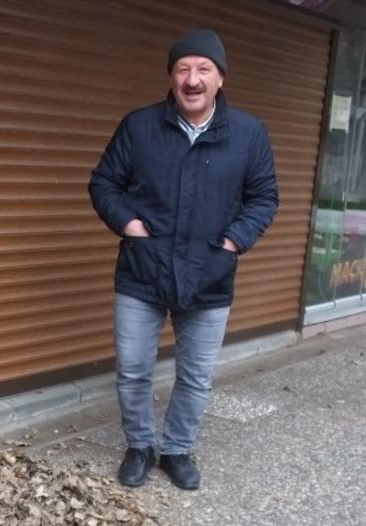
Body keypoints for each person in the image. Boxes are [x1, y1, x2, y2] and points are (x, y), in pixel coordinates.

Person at [87, 28, 278, 490]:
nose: (193, 79)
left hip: (209, 273)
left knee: (195, 376)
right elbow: (104, 184)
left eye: (203, 69)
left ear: (220, 79)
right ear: (172, 77)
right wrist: (132, 229)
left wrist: (232, 242)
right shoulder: (139, 126)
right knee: (133, 369)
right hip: (143, 271)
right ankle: (139, 445)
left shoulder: (249, 134)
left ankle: (176, 450)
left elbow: (263, 197)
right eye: (183, 69)